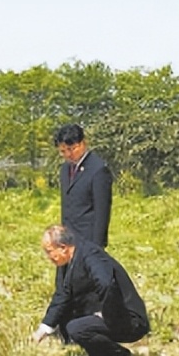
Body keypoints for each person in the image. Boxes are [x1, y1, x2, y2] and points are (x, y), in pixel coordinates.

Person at [32, 225, 149, 356]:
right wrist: (44, 329)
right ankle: (99, 355)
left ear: (63, 247)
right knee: (64, 321)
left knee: (76, 328)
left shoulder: (91, 255)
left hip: (127, 318)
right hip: (107, 312)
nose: (48, 257)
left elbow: (106, 284)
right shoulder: (67, 260)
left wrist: (106, 314)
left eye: (49, 252)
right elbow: (62, 294)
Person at [53, 123, 115, 343]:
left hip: (87, 240)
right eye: (62, 151)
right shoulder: (64, 170)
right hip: (67, 240)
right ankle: (63, 331)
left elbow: (102, 211)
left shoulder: (98, 170)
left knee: (86, 291)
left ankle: (88, 334)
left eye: (71, 149)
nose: (67, 154)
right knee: (63, 285)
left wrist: (96, 247)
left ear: (82, 143)